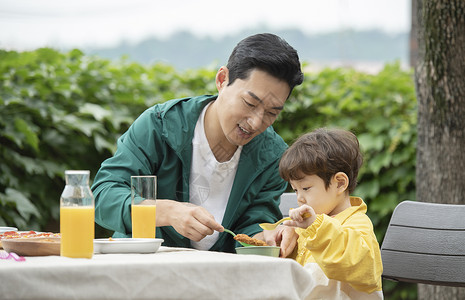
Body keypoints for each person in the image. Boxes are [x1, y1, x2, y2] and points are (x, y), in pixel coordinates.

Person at [91, 33, 304, 255]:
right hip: (141, 270)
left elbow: (254, 224)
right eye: (250, 103)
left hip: (216, 280)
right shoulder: (159, 126)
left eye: (271, 112)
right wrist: (168, 212)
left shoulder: (272, 155)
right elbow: (104, 195)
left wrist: (268, 237)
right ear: (222, 80)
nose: (256, 122)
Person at [279, 128, 383, 299]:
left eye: (306, 188)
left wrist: (316, 228)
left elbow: (362, 266)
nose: (300, 198)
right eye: (295, 190)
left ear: (340, 183)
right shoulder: (309, 225)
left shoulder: (357, 224)